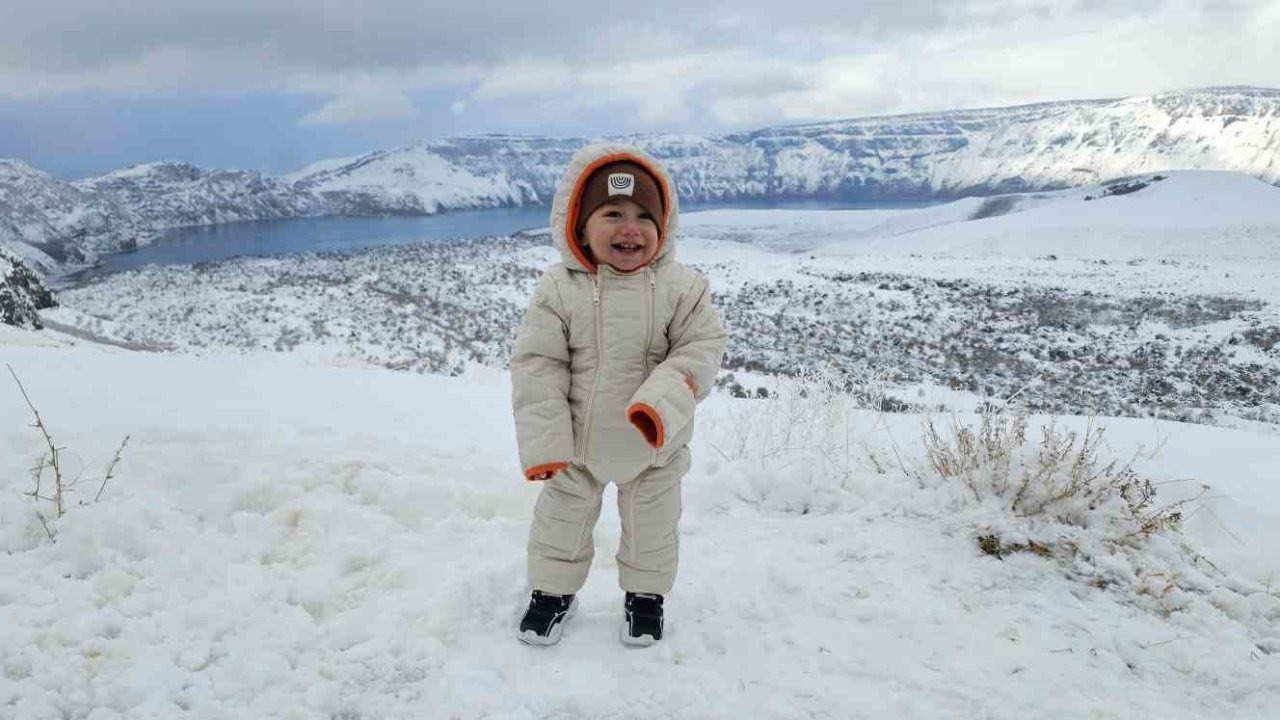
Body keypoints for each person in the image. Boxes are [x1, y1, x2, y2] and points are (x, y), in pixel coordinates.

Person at [510, 143, 727, 647]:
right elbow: (538, 366)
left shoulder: (683, 287)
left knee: (653, 528)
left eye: (643, 217)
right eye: (612, 214)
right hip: (577, 450)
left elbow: (701, 348)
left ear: (663, 227)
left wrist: (661, 402)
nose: (630, 227)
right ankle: (552, 592)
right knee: (560, 525)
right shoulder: (559, 289)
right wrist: (545, 444)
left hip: (654, 446)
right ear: (579, 226)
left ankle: (645, 597)